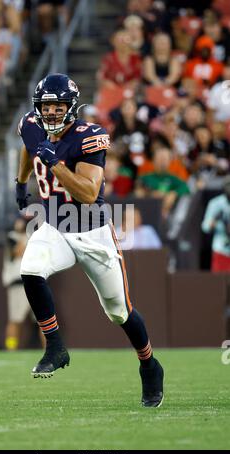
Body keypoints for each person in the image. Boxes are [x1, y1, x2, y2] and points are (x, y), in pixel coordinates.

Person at [15, 73, 164, 407]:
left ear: (71, 107)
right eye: (46, 106)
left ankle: (149, 364)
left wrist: (53, 161)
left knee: (119, 312)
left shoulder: (90, 135)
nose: (51, 113)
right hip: (54, 224)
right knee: (30, 269)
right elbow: (27, 147)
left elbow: (87, 192)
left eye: (57, 106)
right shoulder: (30, 123)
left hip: (92, 230)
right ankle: (55, 346)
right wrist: (20, 182)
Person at [2, 217, 45, 350]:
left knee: (45, 319)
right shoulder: (12, 237)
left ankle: (50, 349)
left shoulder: (37, 238)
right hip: (18, 283)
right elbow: (17, 252)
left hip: (36, 281)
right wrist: (28, 236)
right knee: (15, 320)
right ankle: (11, 349)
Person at [202, 176, 230, 272]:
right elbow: (205, 226)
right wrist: (213, 223)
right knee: (219, 283)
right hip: (221, 249)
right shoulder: (216, 203)